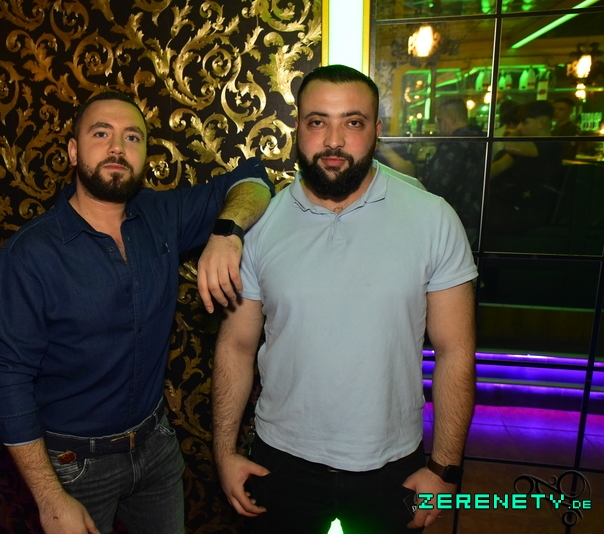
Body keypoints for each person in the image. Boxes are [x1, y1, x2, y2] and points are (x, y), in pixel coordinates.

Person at [0, 91, 273, 534]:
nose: (117, 147)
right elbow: (7, 381)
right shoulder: (29, 254)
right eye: (101, 134)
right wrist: (50, 499)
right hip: (74, 466)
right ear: (73, 151)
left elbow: (253, 178)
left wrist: (226, 233)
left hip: (156, 447)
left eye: (132, 137)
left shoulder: (160, 214)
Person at [212, 65, 477, 534]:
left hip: (392, 463)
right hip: (280, 460)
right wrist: (224, 452)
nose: (333, 140)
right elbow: (236, 346)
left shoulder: (432, 218)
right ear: (298, 129)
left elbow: (456, 350)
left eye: (353, 122)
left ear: (376, 130)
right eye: (318, 122)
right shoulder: (261, 225)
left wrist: (443, 469)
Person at [488, 100, 565, 235]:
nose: (519, 127)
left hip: (529, 210)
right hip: (511, 204)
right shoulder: (525, 148)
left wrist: (513, 136)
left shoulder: (552, 144)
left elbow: (510, 146)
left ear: (541, 123)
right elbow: (499, 166)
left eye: (525, 123)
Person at [420, 97, 486, 246]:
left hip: (454, 216)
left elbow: (438, 184)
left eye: (440, 120)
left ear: (453, 118)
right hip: (477, 215)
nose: (438, 125)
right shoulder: (482, 140)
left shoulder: (453, 144)